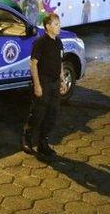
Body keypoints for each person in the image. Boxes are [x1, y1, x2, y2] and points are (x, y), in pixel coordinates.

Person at [21, 13, 67, 156]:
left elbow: (59, 62)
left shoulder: (58, 42)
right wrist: (37, 85)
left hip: (55, 82)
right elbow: (33, 64)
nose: (59, 27)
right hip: (43, 82)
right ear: (48, 26)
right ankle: (26, 139)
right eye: (56, 24)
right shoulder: (40, 42)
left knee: (52, 114)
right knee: (38, 113)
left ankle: (43, 143)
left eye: (59, 24)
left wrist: (62, 80)